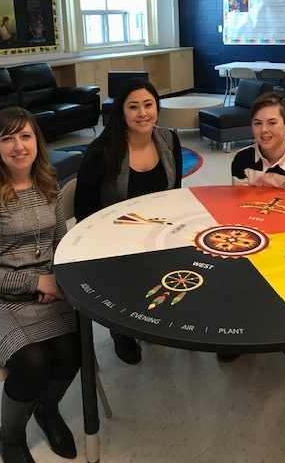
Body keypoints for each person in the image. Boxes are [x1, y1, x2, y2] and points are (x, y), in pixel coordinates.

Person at [0, 107, 79, 463]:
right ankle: (10, 437)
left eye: (25, 136)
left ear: (37, 142)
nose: (17, 146)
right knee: (33, 361)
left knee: (75, 348)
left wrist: (55, 278)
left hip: (46, 290)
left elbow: (61, 243)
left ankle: (47, 409)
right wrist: (34, 282)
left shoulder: (47, 183)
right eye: (7, 138)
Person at [74, 77, 182, 364]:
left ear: (157, 108)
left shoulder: (169, 140)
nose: (142, 113)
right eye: (133, 107)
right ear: (121, 111)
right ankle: (120, 328)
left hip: (159, 233)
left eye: (148, 105)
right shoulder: (102, 151)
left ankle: (151, 312)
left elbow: (176, 194)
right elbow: (83, 209)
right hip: (113, 240)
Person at [219, 92, 285, 363]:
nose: (264, 130)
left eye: (272, 122)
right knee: (231, 268)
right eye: (257, 123)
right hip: (253, 233)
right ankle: (238, 331)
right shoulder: (242, 160)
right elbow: (239, 207)